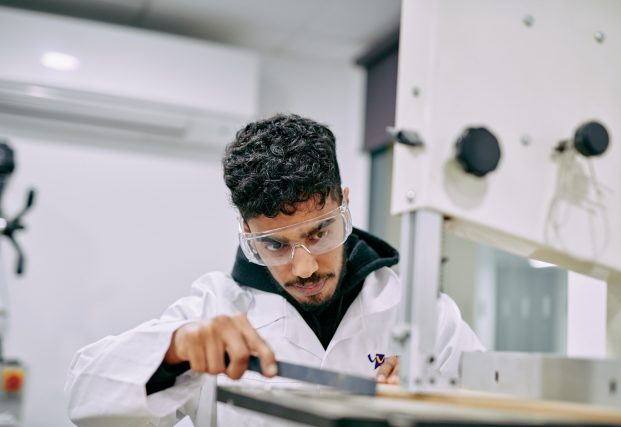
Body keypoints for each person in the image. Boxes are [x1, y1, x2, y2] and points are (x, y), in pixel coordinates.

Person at [65, 114, 484, 426]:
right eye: (274, 244)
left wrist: (431, 410)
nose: (303, 267)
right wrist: (174, 351)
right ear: (247, 232)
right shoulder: (216, 309)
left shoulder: (424, 315)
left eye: (320, 233)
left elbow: (495, 406)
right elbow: (86, 400)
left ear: (346, 205)